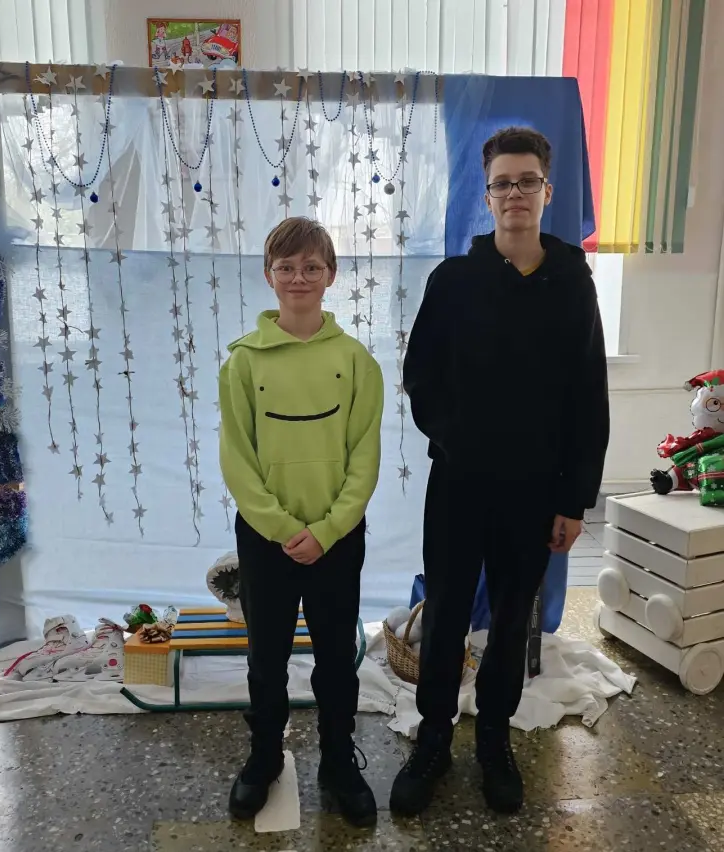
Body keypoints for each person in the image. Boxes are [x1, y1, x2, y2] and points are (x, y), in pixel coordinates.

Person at [390, 127, 610, 816]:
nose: (515, 193)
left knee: (513, 620)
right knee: (447, 614)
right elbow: (421, 377)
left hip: (535, 492)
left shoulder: (572, 283)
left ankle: (494, 741)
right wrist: (460, 439)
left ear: (548, 191)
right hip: (459, 482)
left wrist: (574, 499)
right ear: (486, 197)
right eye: (502, 183)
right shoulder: (454, 281)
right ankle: (433, 740)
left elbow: (588, 397)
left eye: (527, 181)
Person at [219, 217, 385, 828]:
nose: (298, 278)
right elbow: (237, 458)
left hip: (337, 538)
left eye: (311, 267)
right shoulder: (242, 362)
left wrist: (329, 528)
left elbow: (364, 457)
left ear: (331, 275)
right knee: (266, 657)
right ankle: (264, 757)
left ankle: (338, 761)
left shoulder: (356, 361)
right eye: (286, 267)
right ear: (269, 276)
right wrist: (281, 527)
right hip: (267, 540)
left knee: (336, 658)